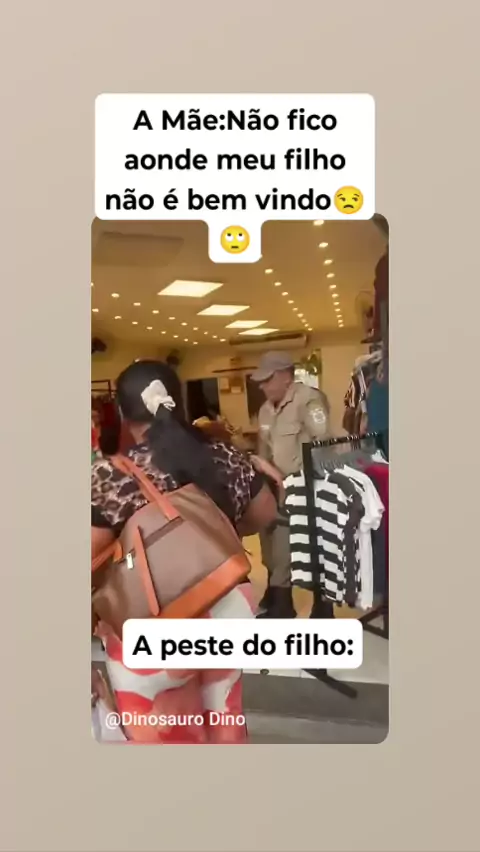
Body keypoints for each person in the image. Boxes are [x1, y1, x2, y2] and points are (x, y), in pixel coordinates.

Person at [91, 359, 277, 744]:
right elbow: (265, 513)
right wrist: (214, 533)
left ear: (123, 414)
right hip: (227, 605)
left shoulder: (111, 475)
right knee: (224, 714)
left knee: (164, 731)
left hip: (153, 622)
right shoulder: (225, 455)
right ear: (177, 402)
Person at [251, 352, 331, 618]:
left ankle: (322, 607)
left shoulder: (308, 400)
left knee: (313, 548)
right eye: (260, 381)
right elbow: (263, 449)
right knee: (273, 544)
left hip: (306, 486)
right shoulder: (265, 409)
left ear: (286, 376)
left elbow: (323, 446)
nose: (262, 386)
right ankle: (280, 599)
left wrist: (304, 484)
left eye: (267, 380)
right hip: (276, 487)